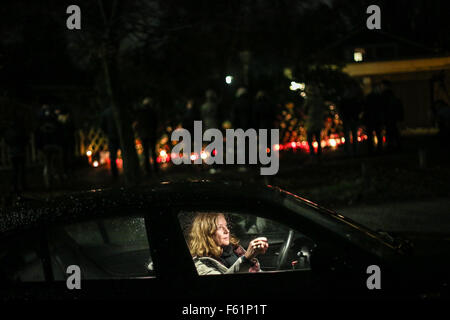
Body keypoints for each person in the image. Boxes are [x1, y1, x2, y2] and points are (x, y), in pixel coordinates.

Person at [188, 213, 269, 275]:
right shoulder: (201, 264)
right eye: (219, 227)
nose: (227, 231)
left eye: (226, 226)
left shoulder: (235, 249)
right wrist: (246, 259)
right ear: (206, 233)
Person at [133, 97, 160, 175]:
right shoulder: (152, 112)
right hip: (151, 134)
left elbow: (138, 124)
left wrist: (139, 132)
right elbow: (156, 122)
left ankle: (148, 169)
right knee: (153, 152)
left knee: (146, 152)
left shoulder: (140, 113)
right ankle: (155, 168)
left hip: (143, 135)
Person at [304, 85, 326, 159]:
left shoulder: (309, 99)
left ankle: (312, 153)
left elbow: (305, 109)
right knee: (318, 138)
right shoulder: (320, 99)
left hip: (311, 121)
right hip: (318, 121)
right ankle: (319, 153)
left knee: (309, 139)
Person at [100, 106, 120, 179]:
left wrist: (107, 133)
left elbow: (102, 125)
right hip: (120, 136)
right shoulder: (120, 110)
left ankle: (115, 174)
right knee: (124, 154)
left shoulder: (106, 112)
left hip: (111, 136)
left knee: (113, 156)